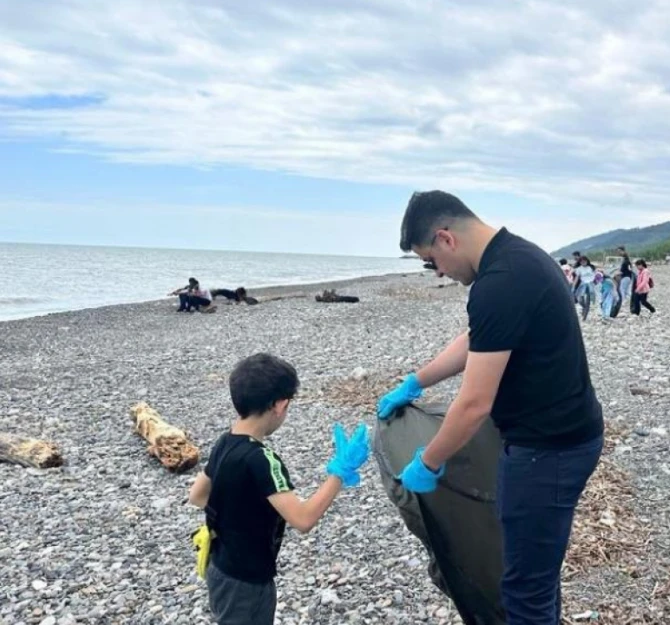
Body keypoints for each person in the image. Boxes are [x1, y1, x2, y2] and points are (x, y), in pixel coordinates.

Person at [378, 191, 605, 624]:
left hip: (547, 451)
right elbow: (477, 340)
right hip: (563, 438)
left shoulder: (501, 281)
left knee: (523, 591)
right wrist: (416, 381)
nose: (439, 273)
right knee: (535, 574)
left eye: (432, 262)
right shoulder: (519, 258)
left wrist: (428, 461)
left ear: (445, 238)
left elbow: (474, 403)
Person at [188, 353, 370, 625]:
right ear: (280, 405)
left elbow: (198, 495)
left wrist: (236, 513)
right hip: (248, 579)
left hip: (219, 566)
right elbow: (303, 518)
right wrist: (340, 472)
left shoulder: (224, 442)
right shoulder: (262, 460)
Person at [572, 256, 597, 321]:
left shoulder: (591, 267)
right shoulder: (579, 269)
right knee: (580, 299)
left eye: (584, 261)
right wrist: (573, 287)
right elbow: (576, 278)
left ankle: (584, 317)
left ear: (587, 261)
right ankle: (584, 307)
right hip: (583, 285)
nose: (583, 262)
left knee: (588, 301)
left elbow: (596, 276)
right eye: (581, 261)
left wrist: (597, 283)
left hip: (590, 285)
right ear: (580, 262)